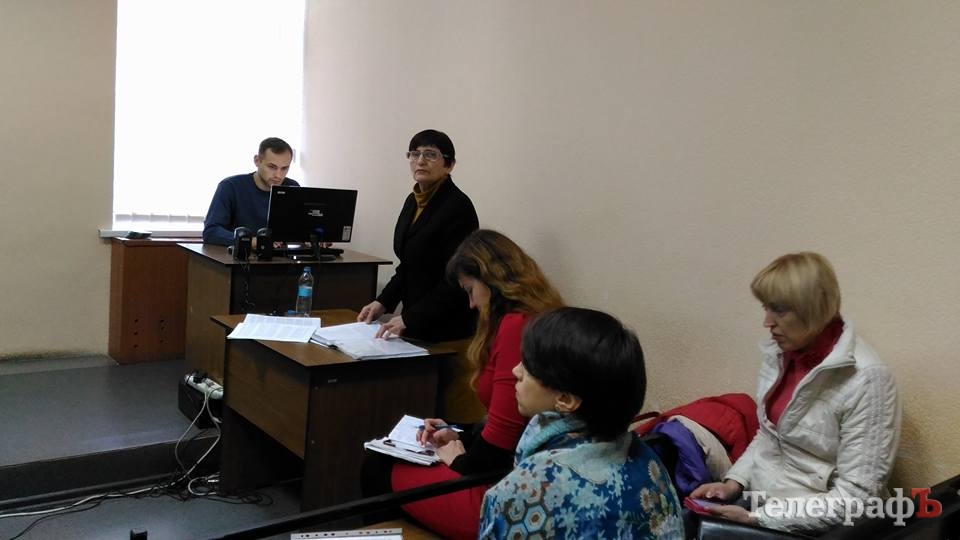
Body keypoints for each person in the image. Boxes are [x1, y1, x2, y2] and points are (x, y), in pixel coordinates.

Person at [362, 229, 564, 539]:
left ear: (491, 279)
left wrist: (458, 458)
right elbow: (511, 423)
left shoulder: (515, 326)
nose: (470, 304)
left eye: (470, 290)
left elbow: (500, 444)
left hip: (503, 492)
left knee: (378, 465)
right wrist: (457, 434)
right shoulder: (543, 313)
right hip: (520, 470)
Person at [690, 252, 901, 535]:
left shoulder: (867, 380)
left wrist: (760, 519)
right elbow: (769, 435)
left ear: (814, 309)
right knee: (684, 519)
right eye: (765, 308)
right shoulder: (782, 353)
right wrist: (733, 483)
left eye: (779, 310)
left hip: (820, 525)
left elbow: (857, 499)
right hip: (763, 503)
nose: (767, 322)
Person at [479, 307, 685, 539]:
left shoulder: (523, 491)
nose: (516, 371)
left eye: (528, 367)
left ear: (565, 399)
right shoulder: (650, 464)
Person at [357, 129, 478, 341]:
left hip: (446, 325)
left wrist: (410, 318)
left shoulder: (458, 207)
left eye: (430, 154)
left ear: (449, 165)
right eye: (415, 154)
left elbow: (455, 278)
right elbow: (409, 265)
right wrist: (382, 302)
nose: (420, 161)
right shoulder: (412, 201)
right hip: (415, 319)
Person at [202, 137, 299, 246]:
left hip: (280, 254)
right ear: (257, 161)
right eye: (272, 167)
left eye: (284, 168)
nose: (278, 175)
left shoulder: (292, 188)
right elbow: (211, 232)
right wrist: (250, 241)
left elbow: (301, 230)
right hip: (239, 254)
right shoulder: (230, 186)